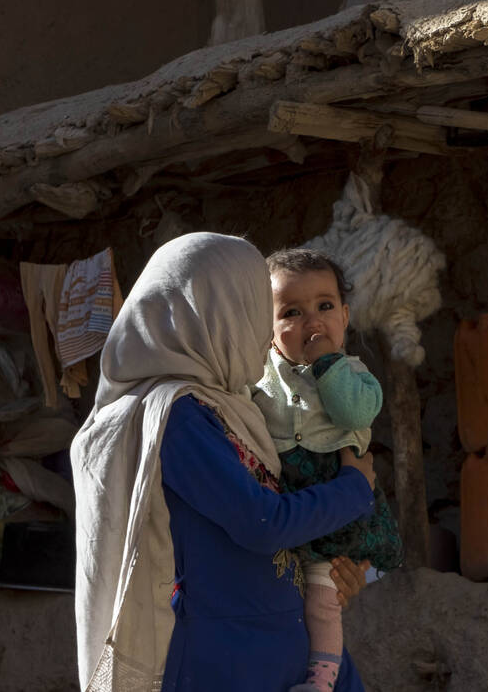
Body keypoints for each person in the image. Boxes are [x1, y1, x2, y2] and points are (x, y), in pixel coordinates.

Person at [72, 232, 377, 692]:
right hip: (228, 661)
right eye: (254, 310)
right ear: (213, 316)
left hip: (282, 644)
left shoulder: (237, 405)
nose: (261, 331)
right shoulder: (175, 415)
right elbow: (260, 521)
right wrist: (355, 486)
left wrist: (334, 572)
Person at [251, 248, 404, 692]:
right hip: (287, 505)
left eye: (324, 307)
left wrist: (327, 364)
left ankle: (321, 680)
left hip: (336, 498)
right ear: (266, 327)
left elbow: (352, 414)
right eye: (291, 313)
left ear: (345, 316)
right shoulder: (260, 377)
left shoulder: (355, 376)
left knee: (324, 598)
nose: (312, 322)